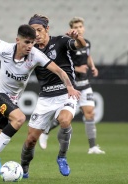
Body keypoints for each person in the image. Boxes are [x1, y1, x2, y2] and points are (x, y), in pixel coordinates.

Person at [0, 24, 80, 180]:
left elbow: (58, 70)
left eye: (32, 42)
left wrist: (70, 87)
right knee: (19, 118)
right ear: (17, 40)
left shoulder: (36, 55)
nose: (30, 46)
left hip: (11, 99)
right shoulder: (4, 48)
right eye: (26, 42)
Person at [20, 14, 87, 178]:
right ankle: (24, 169)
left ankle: (62, 157)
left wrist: (78, 38)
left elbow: (80, 46)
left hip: (67, 92)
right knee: (30, 141)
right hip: (45, 98)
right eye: (32, 31)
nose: (36, 34)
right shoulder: (31, 51)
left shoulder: (61, 42)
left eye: (39, 30)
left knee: (64, 120)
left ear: (47, 29)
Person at [38, 17, 105, 154]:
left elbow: (88, 55)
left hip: (85, 83)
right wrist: (75, 70)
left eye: (81, 26)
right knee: (64, 118)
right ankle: (45, 131)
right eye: (76, 27)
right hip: (71, 86)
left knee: (89, 113)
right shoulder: (69, 43)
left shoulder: (87, 43)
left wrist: (92, 66)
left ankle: (92, 147)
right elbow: (63, 62)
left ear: (83, 28)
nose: (79, 29)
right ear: (71, 28)